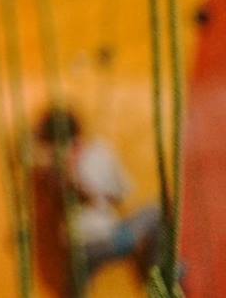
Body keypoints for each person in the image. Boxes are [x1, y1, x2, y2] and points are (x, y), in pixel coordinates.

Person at [30, 105, 164, 293]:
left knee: (155, 213)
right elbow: (115, 196)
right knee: (159, 212)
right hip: (95, 241)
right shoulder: (53, 165)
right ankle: (154, 280)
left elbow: (114, 196)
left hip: (92, 242)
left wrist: (93, 193)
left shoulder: (65, 160)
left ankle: (153, 277)